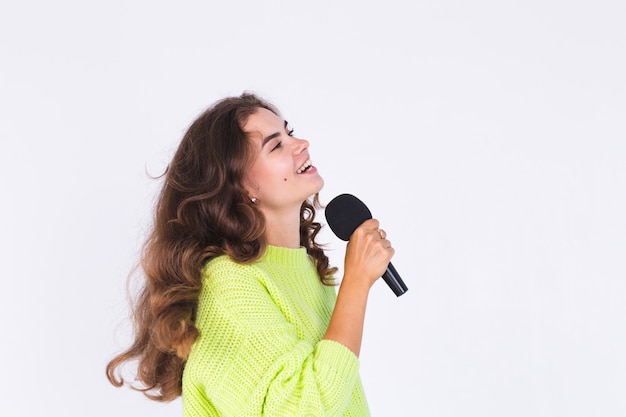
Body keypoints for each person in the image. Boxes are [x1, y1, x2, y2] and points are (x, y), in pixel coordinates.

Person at [106, 92, 394, 416]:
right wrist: (356, 282)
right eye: (276, 145)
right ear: (242, 186)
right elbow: (303, 408)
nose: (301, 144)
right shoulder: (230, 287)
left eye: (290, 132)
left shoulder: (308, 270)